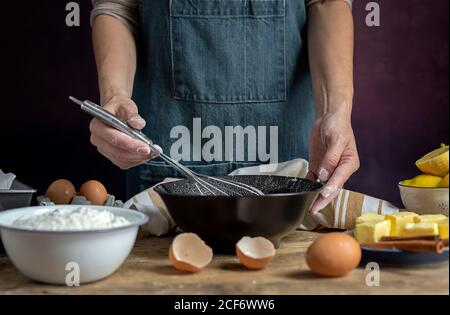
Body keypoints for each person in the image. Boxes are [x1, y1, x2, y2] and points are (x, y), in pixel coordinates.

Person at [89, 0, 360, 213]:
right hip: (169, 153)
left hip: (285, 152)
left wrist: (335, 111)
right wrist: (115, 96)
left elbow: (327, 3)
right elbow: (118, 8)